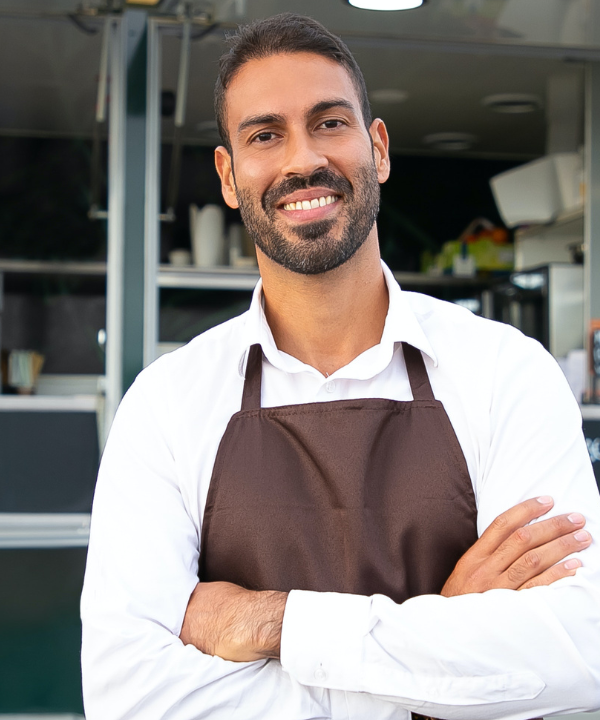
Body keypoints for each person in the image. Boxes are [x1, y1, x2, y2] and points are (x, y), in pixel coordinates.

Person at [81, 13, 600, 720]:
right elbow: (128, 696)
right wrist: (442, 646)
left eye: (329, 123)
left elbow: (577, 654)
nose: (302, 160)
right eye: (266, 135)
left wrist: (276, 623)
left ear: (377, 148)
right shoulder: (167, 404)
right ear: (229, 177)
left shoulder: (506, 371)